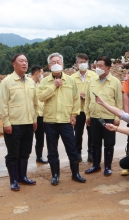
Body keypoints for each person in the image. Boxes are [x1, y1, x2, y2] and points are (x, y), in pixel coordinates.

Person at [36, 52, 86, 185]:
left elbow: (76, 99)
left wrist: (74, 115)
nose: (56, 64)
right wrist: (54, 86)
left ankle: (75, 173)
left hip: (66, 121)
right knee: (52, 150)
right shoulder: (44, 81)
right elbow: (40, 97)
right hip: (50, 121)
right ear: (49, 65)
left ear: (63, 64)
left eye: (58, 62)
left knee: (71, 148)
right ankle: (55, 176)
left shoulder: (70, 81)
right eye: (53, 62)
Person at [0, 54, 38, 191]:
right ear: (13, 64)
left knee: (25, 152)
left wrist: (34, 119)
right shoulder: (7, 82)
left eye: (26, 61)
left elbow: (35, 103)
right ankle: (13, 180)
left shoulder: (30, 82)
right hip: (14, 124)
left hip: (28, 123)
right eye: (21, 61)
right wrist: (6, 123)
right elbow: (2, 104)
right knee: (13, 153)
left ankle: (23, 177)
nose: (24, 63)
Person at [84, 56, 123, 177]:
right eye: (96, 65)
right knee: (95, 143)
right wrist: (87, 115)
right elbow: (88, 99)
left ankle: (108, 167)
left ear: (108, 68)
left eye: (101, 66)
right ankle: (96, 165)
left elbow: (119, 102)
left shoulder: (115, 82)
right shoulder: (92, 81)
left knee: (109, 143)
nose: (98, 68)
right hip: (95, 117)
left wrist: (117, 118)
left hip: (109, 117)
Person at [72, 54, 97, 162]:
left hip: (90, 110)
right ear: (76, 64)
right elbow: (70, 94)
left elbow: (97, 91)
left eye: (84, 62)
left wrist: (88, 96)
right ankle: (77, 153)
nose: (82, 64)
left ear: (88, 63)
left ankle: (91, 153)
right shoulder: (72, 78)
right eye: (80, 62)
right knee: (78, 133)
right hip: (78, 110)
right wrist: (79, 96)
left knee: (91, 133)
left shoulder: (94, 76)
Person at [29, 65, 48, 164]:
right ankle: (24, 158)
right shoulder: (28, 84)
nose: (42, 75)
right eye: (42, 73)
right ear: (37, 73)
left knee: (40, 138)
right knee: (28, 139)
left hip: (41, 116)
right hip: (31, 116)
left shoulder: (41, 84)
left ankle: (39, 156)